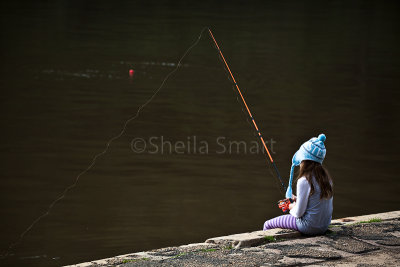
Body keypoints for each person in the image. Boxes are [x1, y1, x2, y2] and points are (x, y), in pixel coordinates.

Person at [263, 133, 333, 235]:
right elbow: (315, 202)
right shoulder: (326, 178)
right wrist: (297, 199)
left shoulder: (304, 180)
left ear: (304, 159)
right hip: (324, 225)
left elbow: (299, 213)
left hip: (309, 226)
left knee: (267, 224)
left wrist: (290, 206)